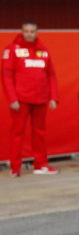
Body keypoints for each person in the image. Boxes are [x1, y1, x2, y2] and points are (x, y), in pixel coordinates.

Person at [3, 20, 59, 176]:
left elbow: (51, 76)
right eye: (26, 31)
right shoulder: (12, 50)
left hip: (40, 99)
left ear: (37, 33)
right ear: (22, 32)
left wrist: (53, 97)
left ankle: (40, 165)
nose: (29, 34)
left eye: (32, 31)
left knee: (39, 133)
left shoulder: (44, 51)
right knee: (17, 133)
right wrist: (12, 99)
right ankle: (15, 168)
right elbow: (6, 76)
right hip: (21, 101)